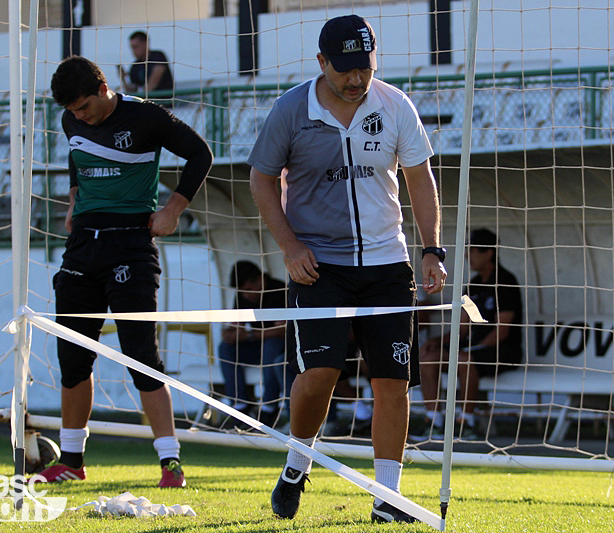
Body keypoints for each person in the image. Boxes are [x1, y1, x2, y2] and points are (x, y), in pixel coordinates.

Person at [248, 15, 447, 523]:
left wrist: (432, 249)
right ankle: (297, 463)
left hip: (386, 263)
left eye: (365, 67)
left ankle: (388, 498)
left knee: (392, 382)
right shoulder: (291, 109)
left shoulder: (395, 104)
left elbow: (421, 180)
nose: (357, 79)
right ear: (322, 63)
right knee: (319, 376)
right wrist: (290, 247)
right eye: (346, 70)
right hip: (319, 266)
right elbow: (260, 180)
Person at [41, 56, 213, 487]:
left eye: (83, 107)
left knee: (142, 357)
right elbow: (76, 157)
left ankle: (170, 464)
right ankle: (72, 461)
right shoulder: (70, 120)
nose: (78, 116)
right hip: (82, 247)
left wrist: (174, 208)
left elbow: (200, 154)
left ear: (102, 89)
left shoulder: (145, 116)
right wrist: (74, 198)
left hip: (131, 246)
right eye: (72, 111)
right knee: (73, 357)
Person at [419, 228, 523, 440]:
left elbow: (502, 332)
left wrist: (468, 351)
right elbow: (463, 329)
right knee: (429, 357)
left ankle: (466, 424)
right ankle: (435, 422)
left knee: (465, 360)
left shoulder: (506, 282)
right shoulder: (473, 285)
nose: (467, 256)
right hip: (469, 352)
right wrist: (437, 342)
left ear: (488, 253)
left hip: (502, 352)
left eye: (473, 250)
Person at [218, 261, 292, 428]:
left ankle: (268, 407)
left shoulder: (279, 290)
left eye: (250, 289)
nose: (246, 295)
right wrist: (230, 333)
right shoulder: (242, 295)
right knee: (226, 348)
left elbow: (282, 330)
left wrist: (250, 335)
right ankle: (240, 406)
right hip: (257, 346)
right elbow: (237, 323)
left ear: (261, 279)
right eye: (242, 291)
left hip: (283, 350)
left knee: (271, 345)